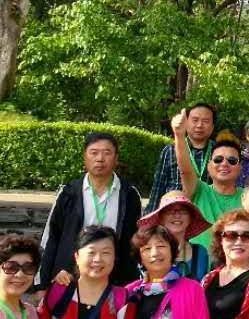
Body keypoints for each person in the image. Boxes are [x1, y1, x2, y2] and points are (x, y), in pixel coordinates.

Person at [39, 131, 143, 288]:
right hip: (69, 278)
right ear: (84, 157)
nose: (100, 158)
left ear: (116, 158)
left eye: (107, 153)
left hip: (115, 281)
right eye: (94, 153)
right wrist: (42, 284)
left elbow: (137, 240)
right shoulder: (69, 192)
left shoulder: (129, 194)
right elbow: (51, 237)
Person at [174, 111, 244, 247]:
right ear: (209, 166)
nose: (224, 163)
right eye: (218, 159)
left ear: (240, 167)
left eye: (232, 160)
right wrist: (179, 135)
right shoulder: (199, 190)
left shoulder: (248, 197)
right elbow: (185, 170)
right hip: (199, 260)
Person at [147, 101, 215, 212]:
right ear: (186, 123)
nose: (199, 125)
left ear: (212, 127)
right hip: (174, 212)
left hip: (207, 213)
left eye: (205, 121)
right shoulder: (170, 150)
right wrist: (149, 215)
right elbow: (158, 186)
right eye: (195, 120)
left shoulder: (218, 152)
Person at [138, 190, 211, 281]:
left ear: (190, 217)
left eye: (183, 210)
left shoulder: (200, 252)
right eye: (170, 210)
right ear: (161, 218)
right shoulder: (150, 251)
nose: (177, 215)